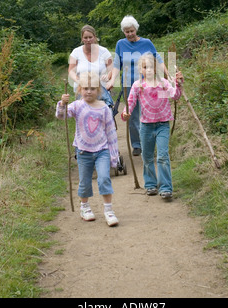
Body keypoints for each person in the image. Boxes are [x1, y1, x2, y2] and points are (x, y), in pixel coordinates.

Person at [56, 71, 119, 226]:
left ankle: (108, 210)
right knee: (84, 182)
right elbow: (62, 116)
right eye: (85, 88)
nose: (89, 91)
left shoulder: (104, 108)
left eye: (92, 88)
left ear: (99, 90)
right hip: (83, 151)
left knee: (104, 178)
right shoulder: (77, 106)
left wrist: (114, 155)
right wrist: (62, 104)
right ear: (79, 90)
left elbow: (111, 132)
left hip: (102, 150)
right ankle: (85, 207)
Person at [121, 52, 183, 200]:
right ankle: (150, 185)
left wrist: (178, 85)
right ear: (140, 70)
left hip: (162, 125)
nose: (148, 70)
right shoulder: (138, 86)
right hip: (146, 126)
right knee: (147, 156)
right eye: (145, 67)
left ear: (156, 68)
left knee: (162, 156)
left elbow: (175, 95)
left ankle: (166, 188)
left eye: (151, 67)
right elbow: (130, 103)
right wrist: (125, 113)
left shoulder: (163, 83)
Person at [106, 16, 168, 156]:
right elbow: (116, 65)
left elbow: (158, 59)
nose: (129, 34)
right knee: (132, 116)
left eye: (131, 31)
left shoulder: (147, 43)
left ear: (136, 29)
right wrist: (112, 80)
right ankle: (137, 144)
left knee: (148, 113)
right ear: (123, 32)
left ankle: (150, 143)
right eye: (126, 32)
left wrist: (167, 74)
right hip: (128, 85)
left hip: (148, 85)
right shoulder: (120, 44)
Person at [68, 25, 113, 107]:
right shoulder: (76, 52)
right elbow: (71, 71)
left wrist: (108, 76)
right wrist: (77, 80)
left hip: (101, 91)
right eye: (85, 37)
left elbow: (111, 69)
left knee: (103, 117)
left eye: (90, 37)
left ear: (95, 37)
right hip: (82, 92)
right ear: (82, 38)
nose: (88, 40)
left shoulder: (104, 52)